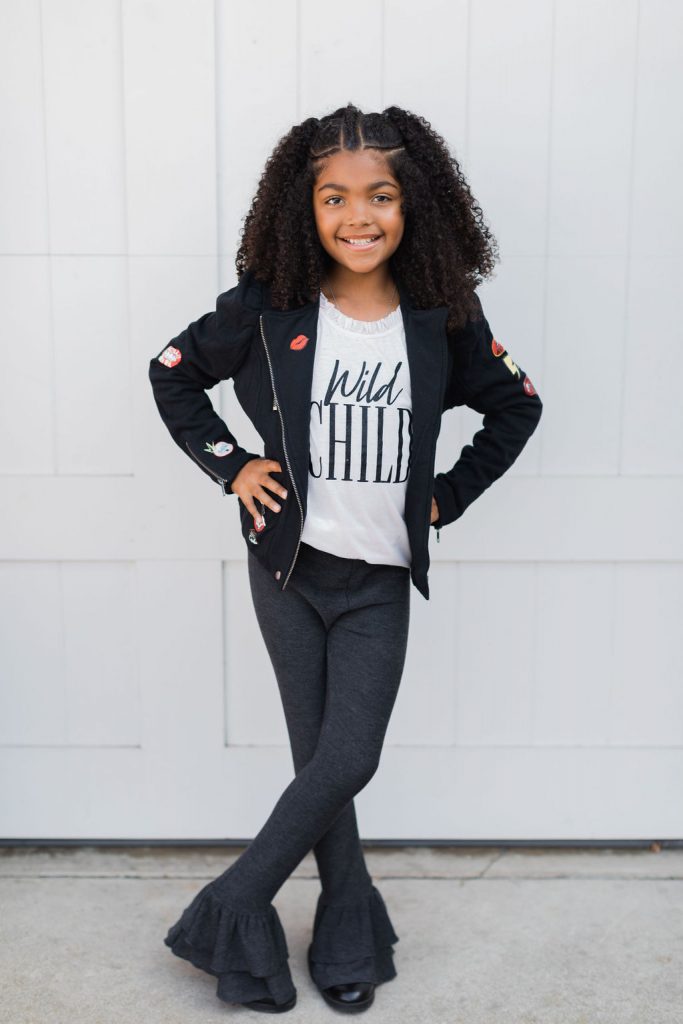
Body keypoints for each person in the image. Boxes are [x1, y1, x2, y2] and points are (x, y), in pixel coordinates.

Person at [148, 102, 543, 1014]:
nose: (358, 216)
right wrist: (231, 465)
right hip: (287, 572)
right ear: (304, 209)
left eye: (380, 195)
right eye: (334, 197)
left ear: (415, 205)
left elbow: (516, 405)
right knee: (317, 762)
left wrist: (446, 495)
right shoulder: (268, 308)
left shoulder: (441, 316)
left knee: (347, 758)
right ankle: (344, 931)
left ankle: (233, 903)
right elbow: (173, 373)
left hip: (374, 583)